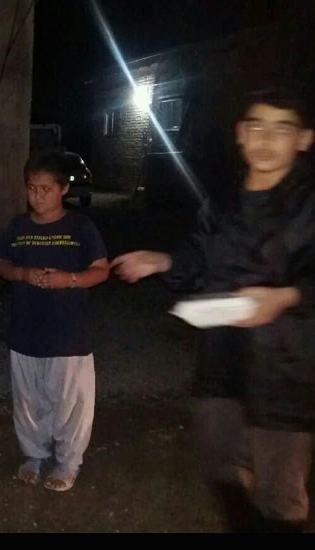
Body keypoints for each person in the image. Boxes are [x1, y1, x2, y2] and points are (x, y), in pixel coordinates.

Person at [111, 85, 315, 532]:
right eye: (257, 126)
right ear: (241, 133)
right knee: (221, 473)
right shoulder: (224, 200)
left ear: (304, 139)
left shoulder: (308, 205)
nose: (266, 139)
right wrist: (164, 261)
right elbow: (199, 256)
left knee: (279, 498)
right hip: (221, 365)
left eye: (282, 129)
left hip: (286, 375)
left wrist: (286, 297)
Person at [0, 151, 109, 492]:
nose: (38, 196)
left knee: (71, 402)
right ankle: (34, 455)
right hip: (26, 330)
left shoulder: (81, 227)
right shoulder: (18, 226)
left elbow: (101, 270)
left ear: (63, 189)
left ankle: (68, 462)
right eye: (32, 188)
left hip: (69, 334)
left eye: (46, 189)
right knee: (29, 400)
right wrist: (22, 273)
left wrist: (69, 280)